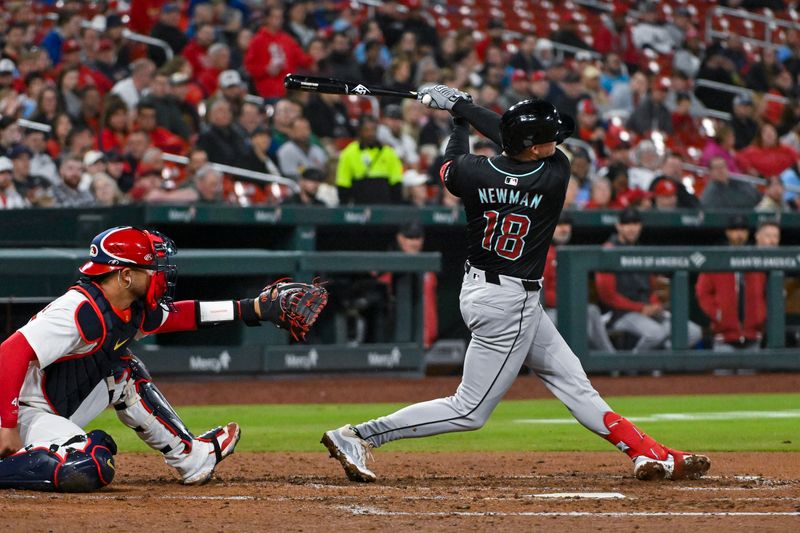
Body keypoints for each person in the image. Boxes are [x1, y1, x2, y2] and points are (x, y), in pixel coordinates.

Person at [321, 87, 710, 484]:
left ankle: (648, 453)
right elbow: (504, 133)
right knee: (469, 410)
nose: (555, 143)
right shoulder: (553, 174)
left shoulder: (474, 171)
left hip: (484, 291)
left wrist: (458, 117)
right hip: (510, 302)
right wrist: (463, 107)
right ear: (536, 147)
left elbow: (452, 164)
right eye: (547, 140)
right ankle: (359, 435)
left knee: (574, 383)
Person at [0, 226, 327, 492]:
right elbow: (9, 353)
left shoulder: (126, 308)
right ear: (125, 276)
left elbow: (180, 315)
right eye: (151, 267)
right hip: (16, 411)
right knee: (89, 464)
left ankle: (193, 457)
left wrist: (253, 308)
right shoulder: (79, 309)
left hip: (48, 405)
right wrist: (8, 426)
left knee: (123, 371)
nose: (160, 273)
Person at [595, 208, 702, 351]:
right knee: (656, 334)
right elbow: (608, 296)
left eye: (635, 224)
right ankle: (630, 366)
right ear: (618, 226)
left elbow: (650, 286)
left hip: (647, 312)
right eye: (627, 224)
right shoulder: (608, 250)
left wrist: (654, 305)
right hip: (620, 314)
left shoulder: (641, 250)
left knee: (693, 331)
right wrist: (640, 308)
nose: (632, 228)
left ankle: (662, 363)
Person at [542, 213, 615, 352]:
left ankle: (610, 358)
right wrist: (569, 303)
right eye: (560, 225)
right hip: (547, 310)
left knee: (592, 311)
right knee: (580, 325)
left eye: (567, 225)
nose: (564, 229)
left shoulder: (569, 251)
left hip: (566, 306)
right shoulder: (544, 252)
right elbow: (542, 292)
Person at [695, 215, 769, 352]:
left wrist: (761, 315)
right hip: (724, 337)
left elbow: (769, 293)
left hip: (753, 335)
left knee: (750, 373)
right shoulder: (715, 259)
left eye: (743, 230)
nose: (739, 233)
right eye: (735, 229)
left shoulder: (758, 259)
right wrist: (718, 314)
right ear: (728, 232)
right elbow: (702, 292)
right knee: (723, 373)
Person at [336, 116, 404, 205]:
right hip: (359, 206)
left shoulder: (389, 152)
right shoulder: (348, 153)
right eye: (366, 130)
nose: (370, 134)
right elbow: (343, 184)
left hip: (384, 205)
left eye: (373, 130)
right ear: (359, 131)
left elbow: (396, 183)